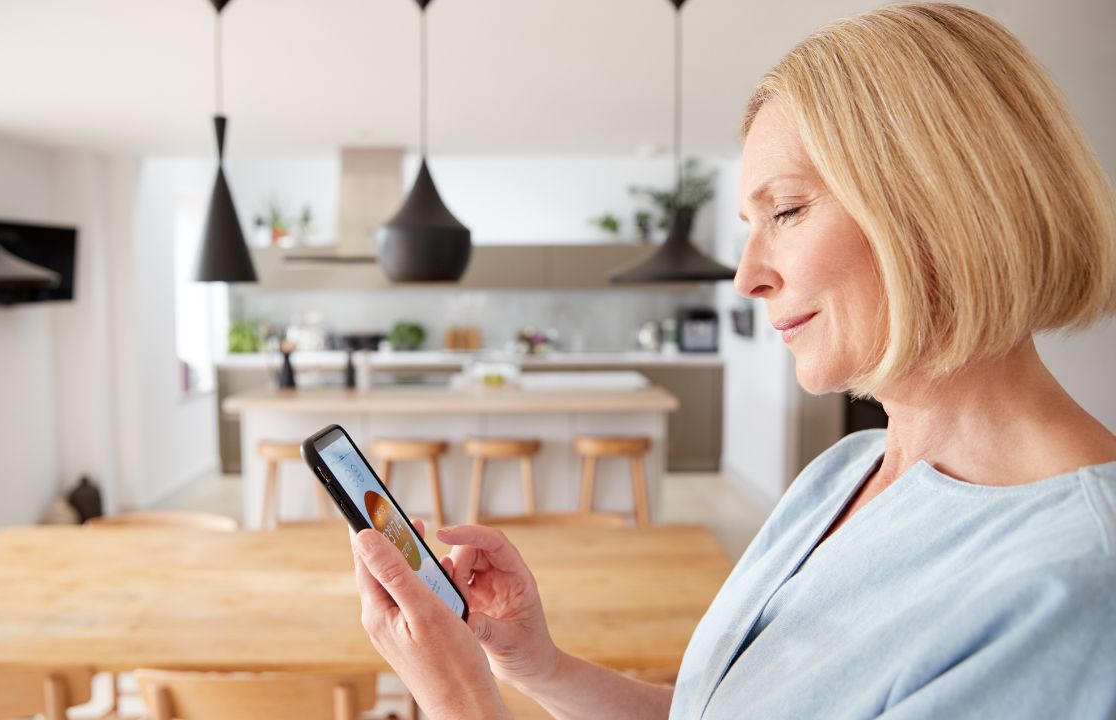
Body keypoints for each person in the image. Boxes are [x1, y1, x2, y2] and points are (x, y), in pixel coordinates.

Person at [348, 3, 1116, 718]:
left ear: (942, 205)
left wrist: (458, 699)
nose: (747, 276)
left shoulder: (1076, 587)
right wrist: (538, 665)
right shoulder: (842, 473)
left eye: (785, 211)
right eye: (750, 223)